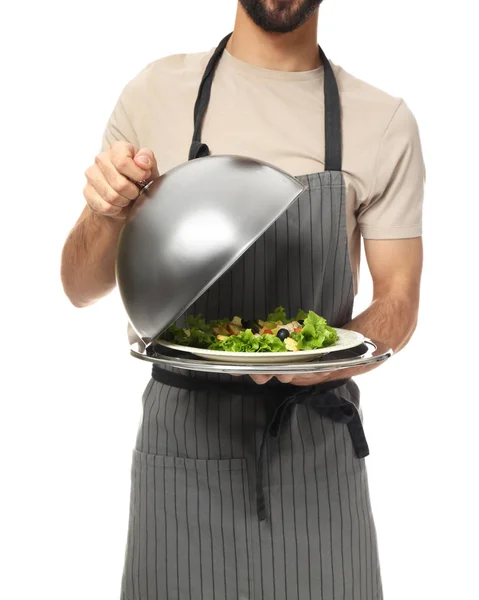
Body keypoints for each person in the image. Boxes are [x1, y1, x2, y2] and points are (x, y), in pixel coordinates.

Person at [61, 0, 424, 598]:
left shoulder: (382, 120)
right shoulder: (156, 93)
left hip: (316, 452)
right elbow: (79, 289)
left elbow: (401, 304)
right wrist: (106, 211)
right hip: (184, 448)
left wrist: (321, 360)